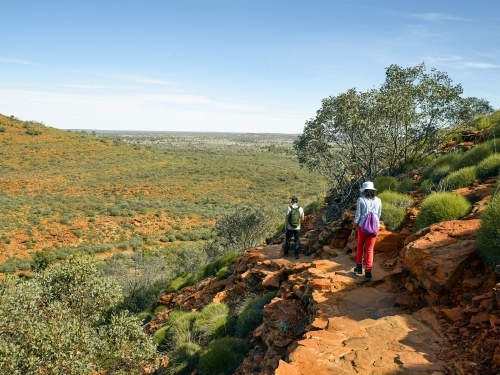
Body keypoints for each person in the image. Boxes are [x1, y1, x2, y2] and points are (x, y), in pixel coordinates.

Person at [352, 181, 382, 281]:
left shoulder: (360, 199)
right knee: (370, 249)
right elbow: (379, 214)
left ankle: (359, 267)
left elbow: (358, 215)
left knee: (360, 245)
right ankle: (368, 272)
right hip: (374, 227)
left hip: (362, 227)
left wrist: (354, 226)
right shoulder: (378, 200)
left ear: (364, 190)